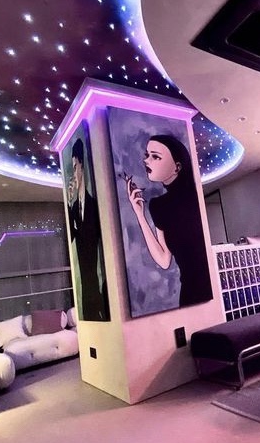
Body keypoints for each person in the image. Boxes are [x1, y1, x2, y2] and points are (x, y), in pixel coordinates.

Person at [125, 134, 212, 307]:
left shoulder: (195, 198)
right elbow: (164, 260)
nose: (146, 161)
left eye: (155, 156)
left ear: (177, 167)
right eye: (147, 155)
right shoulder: (159, 206)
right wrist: (139, 214)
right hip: (189, 293)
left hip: (210, 288)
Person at [68, 137, 109, 320]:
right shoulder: (74, 208)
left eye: (75, 167)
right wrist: (68, 203)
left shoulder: (95, 205)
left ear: (82, 166)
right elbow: (71, 237)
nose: (73, 173)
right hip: (85, 291)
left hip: (99, 285)